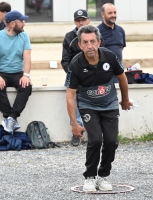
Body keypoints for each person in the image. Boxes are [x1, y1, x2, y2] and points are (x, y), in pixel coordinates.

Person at [65, 25, 132, 192]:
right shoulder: (76, 64)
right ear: (80, 45)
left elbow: (122, 78)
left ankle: (103, 176)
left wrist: (124, 100)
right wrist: (74, 123)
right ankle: (89, 177)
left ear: (99, 42)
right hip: (88, 106)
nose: (90, 46)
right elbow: (70, 95)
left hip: (109, 105)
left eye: (93, 41)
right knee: (95, 140)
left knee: (111, 141)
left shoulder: (109, 56)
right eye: (85, 42)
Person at [0, 10, 32, 134]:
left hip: (18, 73)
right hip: (0, 72)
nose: (24, 24)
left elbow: (27, 58)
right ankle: (9, 118)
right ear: (12, 23)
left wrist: (26, 75)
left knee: (27, 86)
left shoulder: (24, 36)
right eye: (21, 21)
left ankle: (11, 118)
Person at [61, 9, 91, 147]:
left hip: (93, 75)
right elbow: (65, 61)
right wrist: (74, 75)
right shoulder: (69, 37)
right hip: (75, 76)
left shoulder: (95, 35)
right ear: (75, 22)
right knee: (73, 99)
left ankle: (95, 131)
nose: (81, 22)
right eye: (78, 20)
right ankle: (76, 132)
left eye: (83, 19)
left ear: (88, 20)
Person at [97, 3, 126, 83]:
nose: (113, 15)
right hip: (103, 73)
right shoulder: (96, 31)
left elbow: (121, 48)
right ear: (102, 14)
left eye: (115, 12)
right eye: (110, 13)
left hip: (119, 72)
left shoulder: (121, 30)